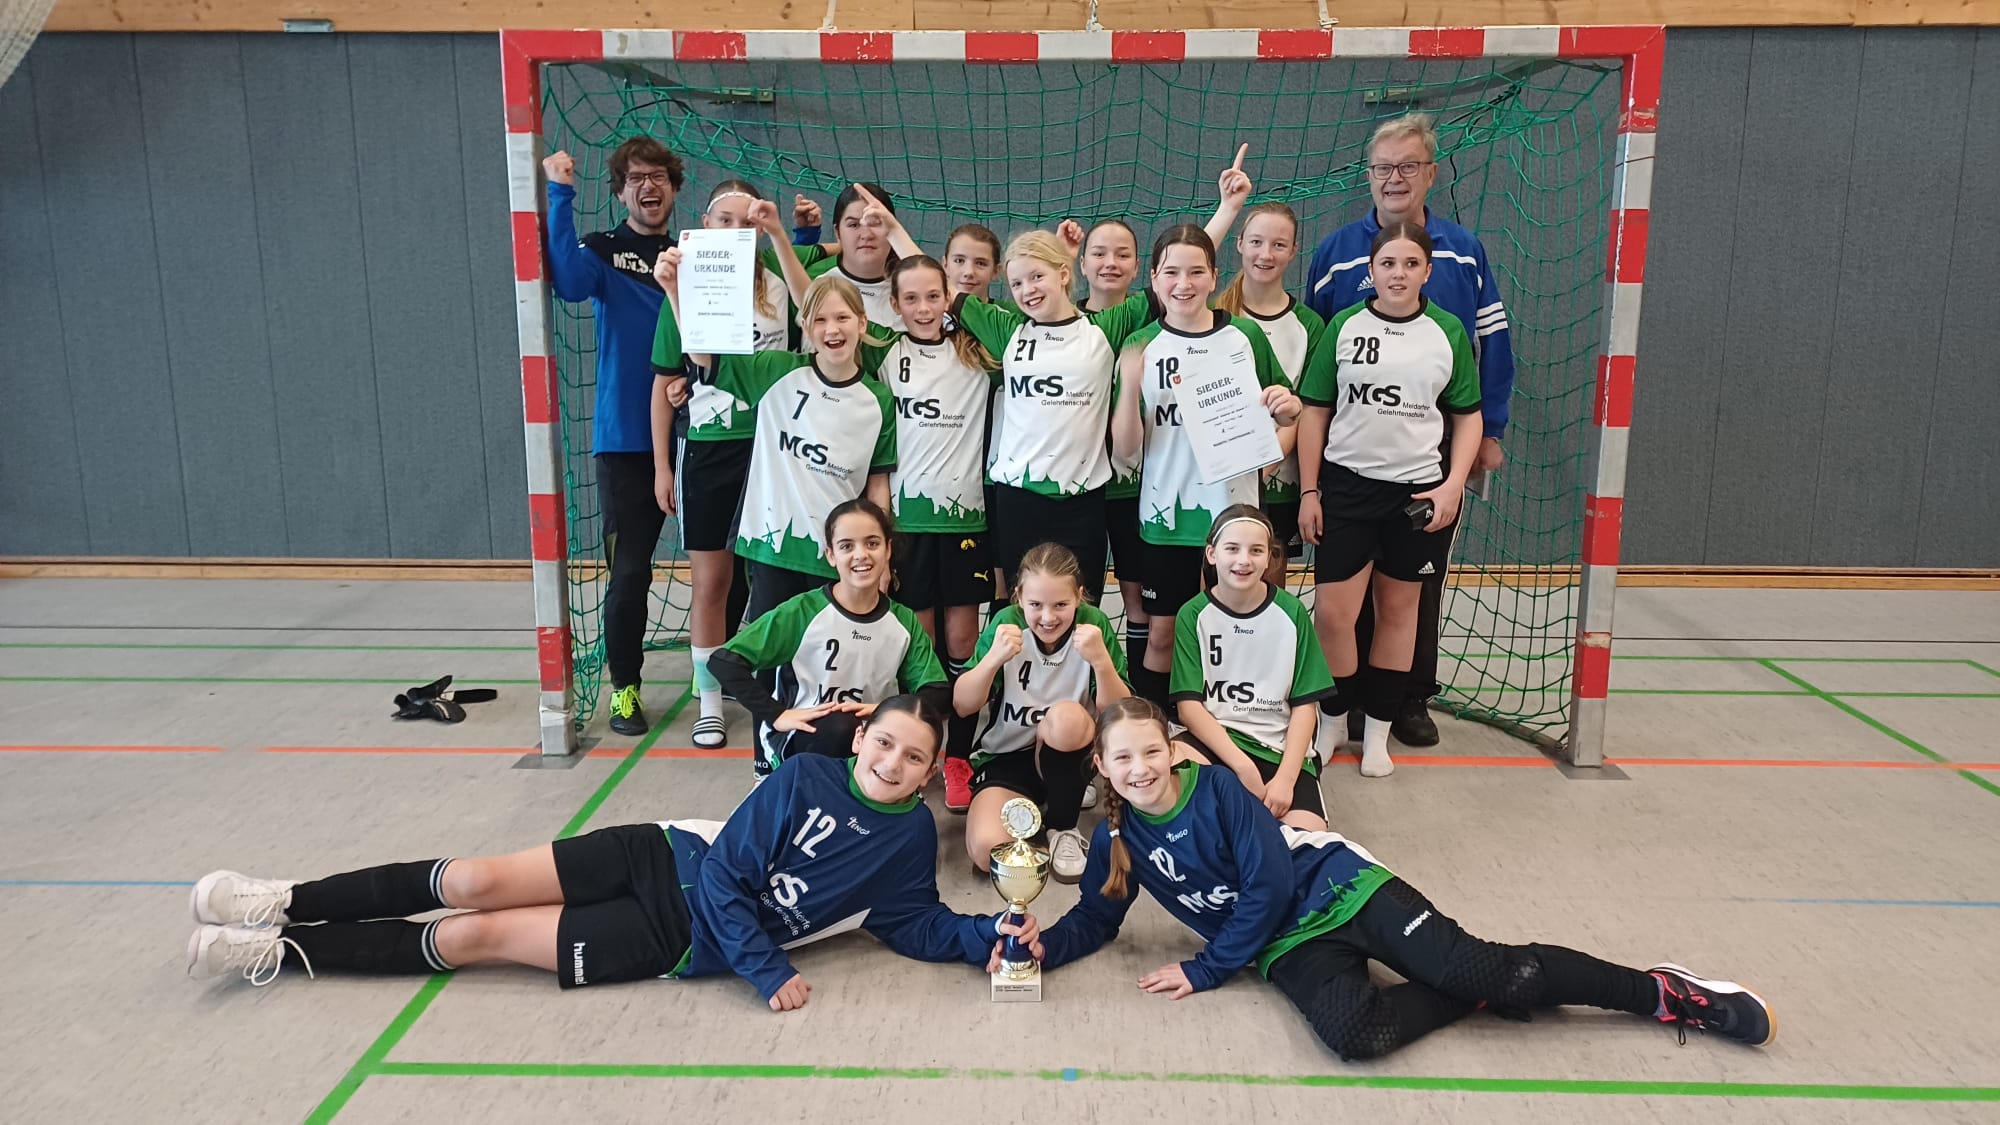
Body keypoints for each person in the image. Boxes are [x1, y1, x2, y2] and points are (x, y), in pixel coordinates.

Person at [1028, 697, 1776, 1060]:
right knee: (1357, 1034)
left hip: (1336, 887)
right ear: (1102, 766)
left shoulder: (1218, 789)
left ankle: (1662, 991)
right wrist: (1029, 947)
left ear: (1173, 749)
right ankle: (1468, 990)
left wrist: (1206, 967)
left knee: (1505, 972)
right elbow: (1094, 919)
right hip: (1286, 946)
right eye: (1122, 758)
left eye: (1150, 752)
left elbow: (1268, 888)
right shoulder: (1116, 836)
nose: (1140, 768)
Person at [187, 696, 1041, 1009]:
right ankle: (285, 898)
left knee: (473, 935)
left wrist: (994, 937)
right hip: (662, 859)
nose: (893, 763)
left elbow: (915, 921)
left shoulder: (906, 841)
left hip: (675, 941)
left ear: (933, 772)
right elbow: (728, 875)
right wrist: (767, 970)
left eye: (914, 757)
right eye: (884, 742)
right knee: (476, 879)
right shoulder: (804, 776)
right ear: (860, 738)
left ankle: (279, 951)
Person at [1302, 112, 1517, 749]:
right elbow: (1315, 353)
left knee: (1412, 590)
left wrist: (1491, 429)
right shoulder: (1335, 253)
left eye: (1407, 166)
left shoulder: (1463, 251)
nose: (1394, 178)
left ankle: (1406, 700)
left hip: (1432, 450)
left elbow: (1490, 341)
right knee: (1343, 599)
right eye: (1382, 167)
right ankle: (1342, 707)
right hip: (1351, 455)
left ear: (1431, 174)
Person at [1298, 224, 1482, 779]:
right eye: (1388, 264)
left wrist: (1452, 485)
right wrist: (1310, 489)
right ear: (1370, 271)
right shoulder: (1344, 326)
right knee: (1334, 615)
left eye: (1410, 264)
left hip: (1417, 493)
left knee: (1399, 613)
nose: (1398, 274)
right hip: (1347, 488)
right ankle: (1334, 721)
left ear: (1427, 271)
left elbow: (1467, 416)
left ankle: (1378, 732)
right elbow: (1315, 410)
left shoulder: (1447, 331)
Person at [653, 241, 895, 622]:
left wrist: (882, 556)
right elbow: (706, 357)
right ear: (805, 327)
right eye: (819, 320)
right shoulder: (776, 372)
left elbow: (878, 486)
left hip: (839, 557)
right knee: (772, 653)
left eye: (842, 318)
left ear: (862, 324)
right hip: (773, 551)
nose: (832, 329)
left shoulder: (878, 400)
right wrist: (674, 291)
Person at [1107, 226, 1298, 708]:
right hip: (1166, 519)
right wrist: (1129, 384)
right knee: (1163, 634)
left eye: (1196, 272)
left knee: (1235, 631)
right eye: (1171, 272)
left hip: (1235, 517)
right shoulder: (1141, 344)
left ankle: (1228, 723)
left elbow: (1285, 416)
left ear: (1214, 276)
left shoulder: (1244, 336)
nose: (1183, 283)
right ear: (1154, 278)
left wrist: (1287, 410)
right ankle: (1156, 723)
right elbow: (1126, 450)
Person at [650, 183, 803, 748]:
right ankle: (710, 702)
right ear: (705, 225)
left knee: (772, 577)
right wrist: (662, 466)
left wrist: (793, 231)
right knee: (712, 581)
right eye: (724, 219)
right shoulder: (683, 284)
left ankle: (775, 693)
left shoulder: (780, 280)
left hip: (774, 446)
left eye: (748, 220)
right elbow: (665, 384)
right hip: (710, 448)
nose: (736, 229)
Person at [543, 138, 683, 736]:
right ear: (621, 191)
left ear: (674, 187)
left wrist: (804, 235)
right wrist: (559, 193)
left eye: (659, 176)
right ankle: (625, 688)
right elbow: (570, 285)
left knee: (734, 568)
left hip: (707, 433)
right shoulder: (604, 250)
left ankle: (727, 675)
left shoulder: (698, 253)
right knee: (629, 573)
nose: (648, 186)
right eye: (635, 178)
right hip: (627, 440)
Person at [952, 231, 1157, 595]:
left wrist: (1227, 209)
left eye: (1036, 276)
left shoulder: (1101, 330)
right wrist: (890, 229)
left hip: (1082, 501)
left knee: (1081, 606)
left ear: (1064, 273)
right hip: (1018, 498)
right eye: (1016, 283)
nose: (1027, 289)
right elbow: (935, 285)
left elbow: (1176, 276)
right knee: (1021, 606)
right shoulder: (1009, 331)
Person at [874, 254, 1001, 812]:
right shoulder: (884, 354)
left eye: (934, 296)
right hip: (908, 526)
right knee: (921, 647)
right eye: (911, 298)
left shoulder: (977, 353)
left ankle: (959, 757)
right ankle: (919, 750)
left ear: (950, 296)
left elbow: (1034, 335)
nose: (924, 308)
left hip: (966, 521)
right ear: (894, 303)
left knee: (962, 644)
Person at [711, 500, 948, 774]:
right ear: (831, 555)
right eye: (847, 546)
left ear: (888, 549)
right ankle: (786, 783)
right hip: (809, 735)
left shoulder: (903, 621)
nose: (861, 555)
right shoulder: (803, 612)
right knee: (840, 726)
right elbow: (724, 662)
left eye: (872, 543)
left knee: (910, 727)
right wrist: (777, 714)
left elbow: (937, 693)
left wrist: (887, 710)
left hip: (874, 736)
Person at [953, 542, 1128, 883]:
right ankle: (1045, 799)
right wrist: (992, 660)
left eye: (1060, 604)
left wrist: (1102, 663)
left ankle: (1063, 826)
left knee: (1067, 718)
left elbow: (1118, 713)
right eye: (1036, 605)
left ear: (1079, 596)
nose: (1048, 618)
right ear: (1019, 596)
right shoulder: (1006, 623)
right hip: (1006, 756)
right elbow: (963, 705)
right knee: (989, 853)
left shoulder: (1093, 625)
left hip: (1067, 748)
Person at [1168, 506, 1333, 830]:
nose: (1243, 560)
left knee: (1306, 842)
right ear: (1212, 554)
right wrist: (1242, 768)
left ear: (1269, 558)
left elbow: (1305, 707)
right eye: (1232, 548)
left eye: (1256, 551)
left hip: (1277, 748)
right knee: (1171, 797)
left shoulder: (1291, 613)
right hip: (1217, 742)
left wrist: (1286, 779)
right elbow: (1189, 708)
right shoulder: (1193, 614)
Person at [1208, 162, 1326, 576]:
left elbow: (1306, 407)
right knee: (1210, 589)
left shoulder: (1309, 325)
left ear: (1293, 251)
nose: (1265, 254)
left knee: (1268, 591)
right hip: (1218, 481)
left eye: (1279, 245)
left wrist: (1269, 459)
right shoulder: (1212, 314)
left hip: (1278, 481)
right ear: (1239, 243)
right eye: (1256, 241)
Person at [805, 182, 906, 330]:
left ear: (893, 228)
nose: (866, 235)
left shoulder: (912, 286)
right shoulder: (812, 280)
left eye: (875, 223)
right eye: (853, 225)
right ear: (837, 232)